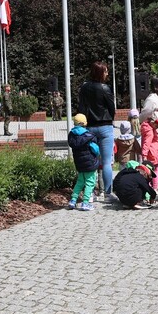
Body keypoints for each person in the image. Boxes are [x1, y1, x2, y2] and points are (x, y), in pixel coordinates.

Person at [77, 61, 116, 199]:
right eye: (105, 71)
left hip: (90, 127)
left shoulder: (84, 87)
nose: (107, 73)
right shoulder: (105, 88)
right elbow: (112, 109)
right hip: (105, 126)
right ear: (100, 72)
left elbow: (81, 107)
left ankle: (91, 192)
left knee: (91, 162)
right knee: (106, 163)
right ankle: (108, 193)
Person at [67, 113, 100, 211]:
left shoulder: (72, 135)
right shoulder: (88, 135)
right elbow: (95, 149)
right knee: (90, 182)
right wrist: (97, 154)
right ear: (84, 123)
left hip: (79, 163)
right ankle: (85, 202)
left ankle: (73, 200)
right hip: (90, 163)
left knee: (80, 182)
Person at [139, 111, 158, 192]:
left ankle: (150, 187)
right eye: (157, 125)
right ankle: (154, 187)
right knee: (153, 171)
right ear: (152, 122)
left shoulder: (147, 127)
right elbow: (146, 143)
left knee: (148, 171)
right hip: (152, 153)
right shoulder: (150, 131)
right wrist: (144, 155)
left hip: (151, 152)